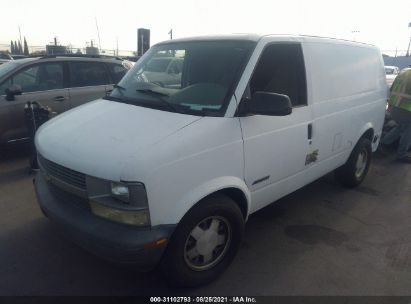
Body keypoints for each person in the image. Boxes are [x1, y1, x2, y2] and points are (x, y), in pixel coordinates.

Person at [379, 67, 411, 163]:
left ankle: (383, 143)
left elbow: (392, 88)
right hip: (406, 107)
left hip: (395, 106)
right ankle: (402, 154)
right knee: (409, 130)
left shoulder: (404, 72)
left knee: (401, 127)